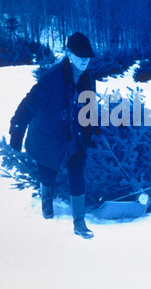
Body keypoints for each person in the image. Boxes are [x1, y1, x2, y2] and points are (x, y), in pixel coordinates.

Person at [9, 32, 99, 239]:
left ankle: (79, 222)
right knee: (48, 173)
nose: (85, 60)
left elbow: (89, 104)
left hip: (73, 135)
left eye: (88, 56)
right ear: (69, 54)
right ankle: (46, 205)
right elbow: (30, 103)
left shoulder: (88, 77)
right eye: (80, 56)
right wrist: (17, 128)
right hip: (48, 135)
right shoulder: (52, 77)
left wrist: (92, 129)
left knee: (77, 172)